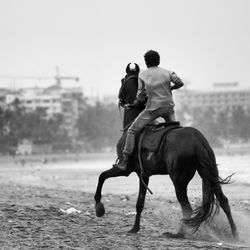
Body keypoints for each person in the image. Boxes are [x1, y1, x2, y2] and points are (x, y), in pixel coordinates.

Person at [115, 50, 184, 171]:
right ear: (158, 60)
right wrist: (170, 88)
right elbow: (180, 82)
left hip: (153, 110)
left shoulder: (143, 75)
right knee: (176, 130)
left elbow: (141, 95)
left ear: (146, 62)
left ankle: (125, 161)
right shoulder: (168, 72)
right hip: (169, 109)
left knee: (131, 130)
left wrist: (134, 104)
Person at [118, 63, 146, 129]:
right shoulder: (142, 81)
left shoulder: (126, 82)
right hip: (146, 111)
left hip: (130, 112)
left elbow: (122, 99)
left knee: (130, 132)